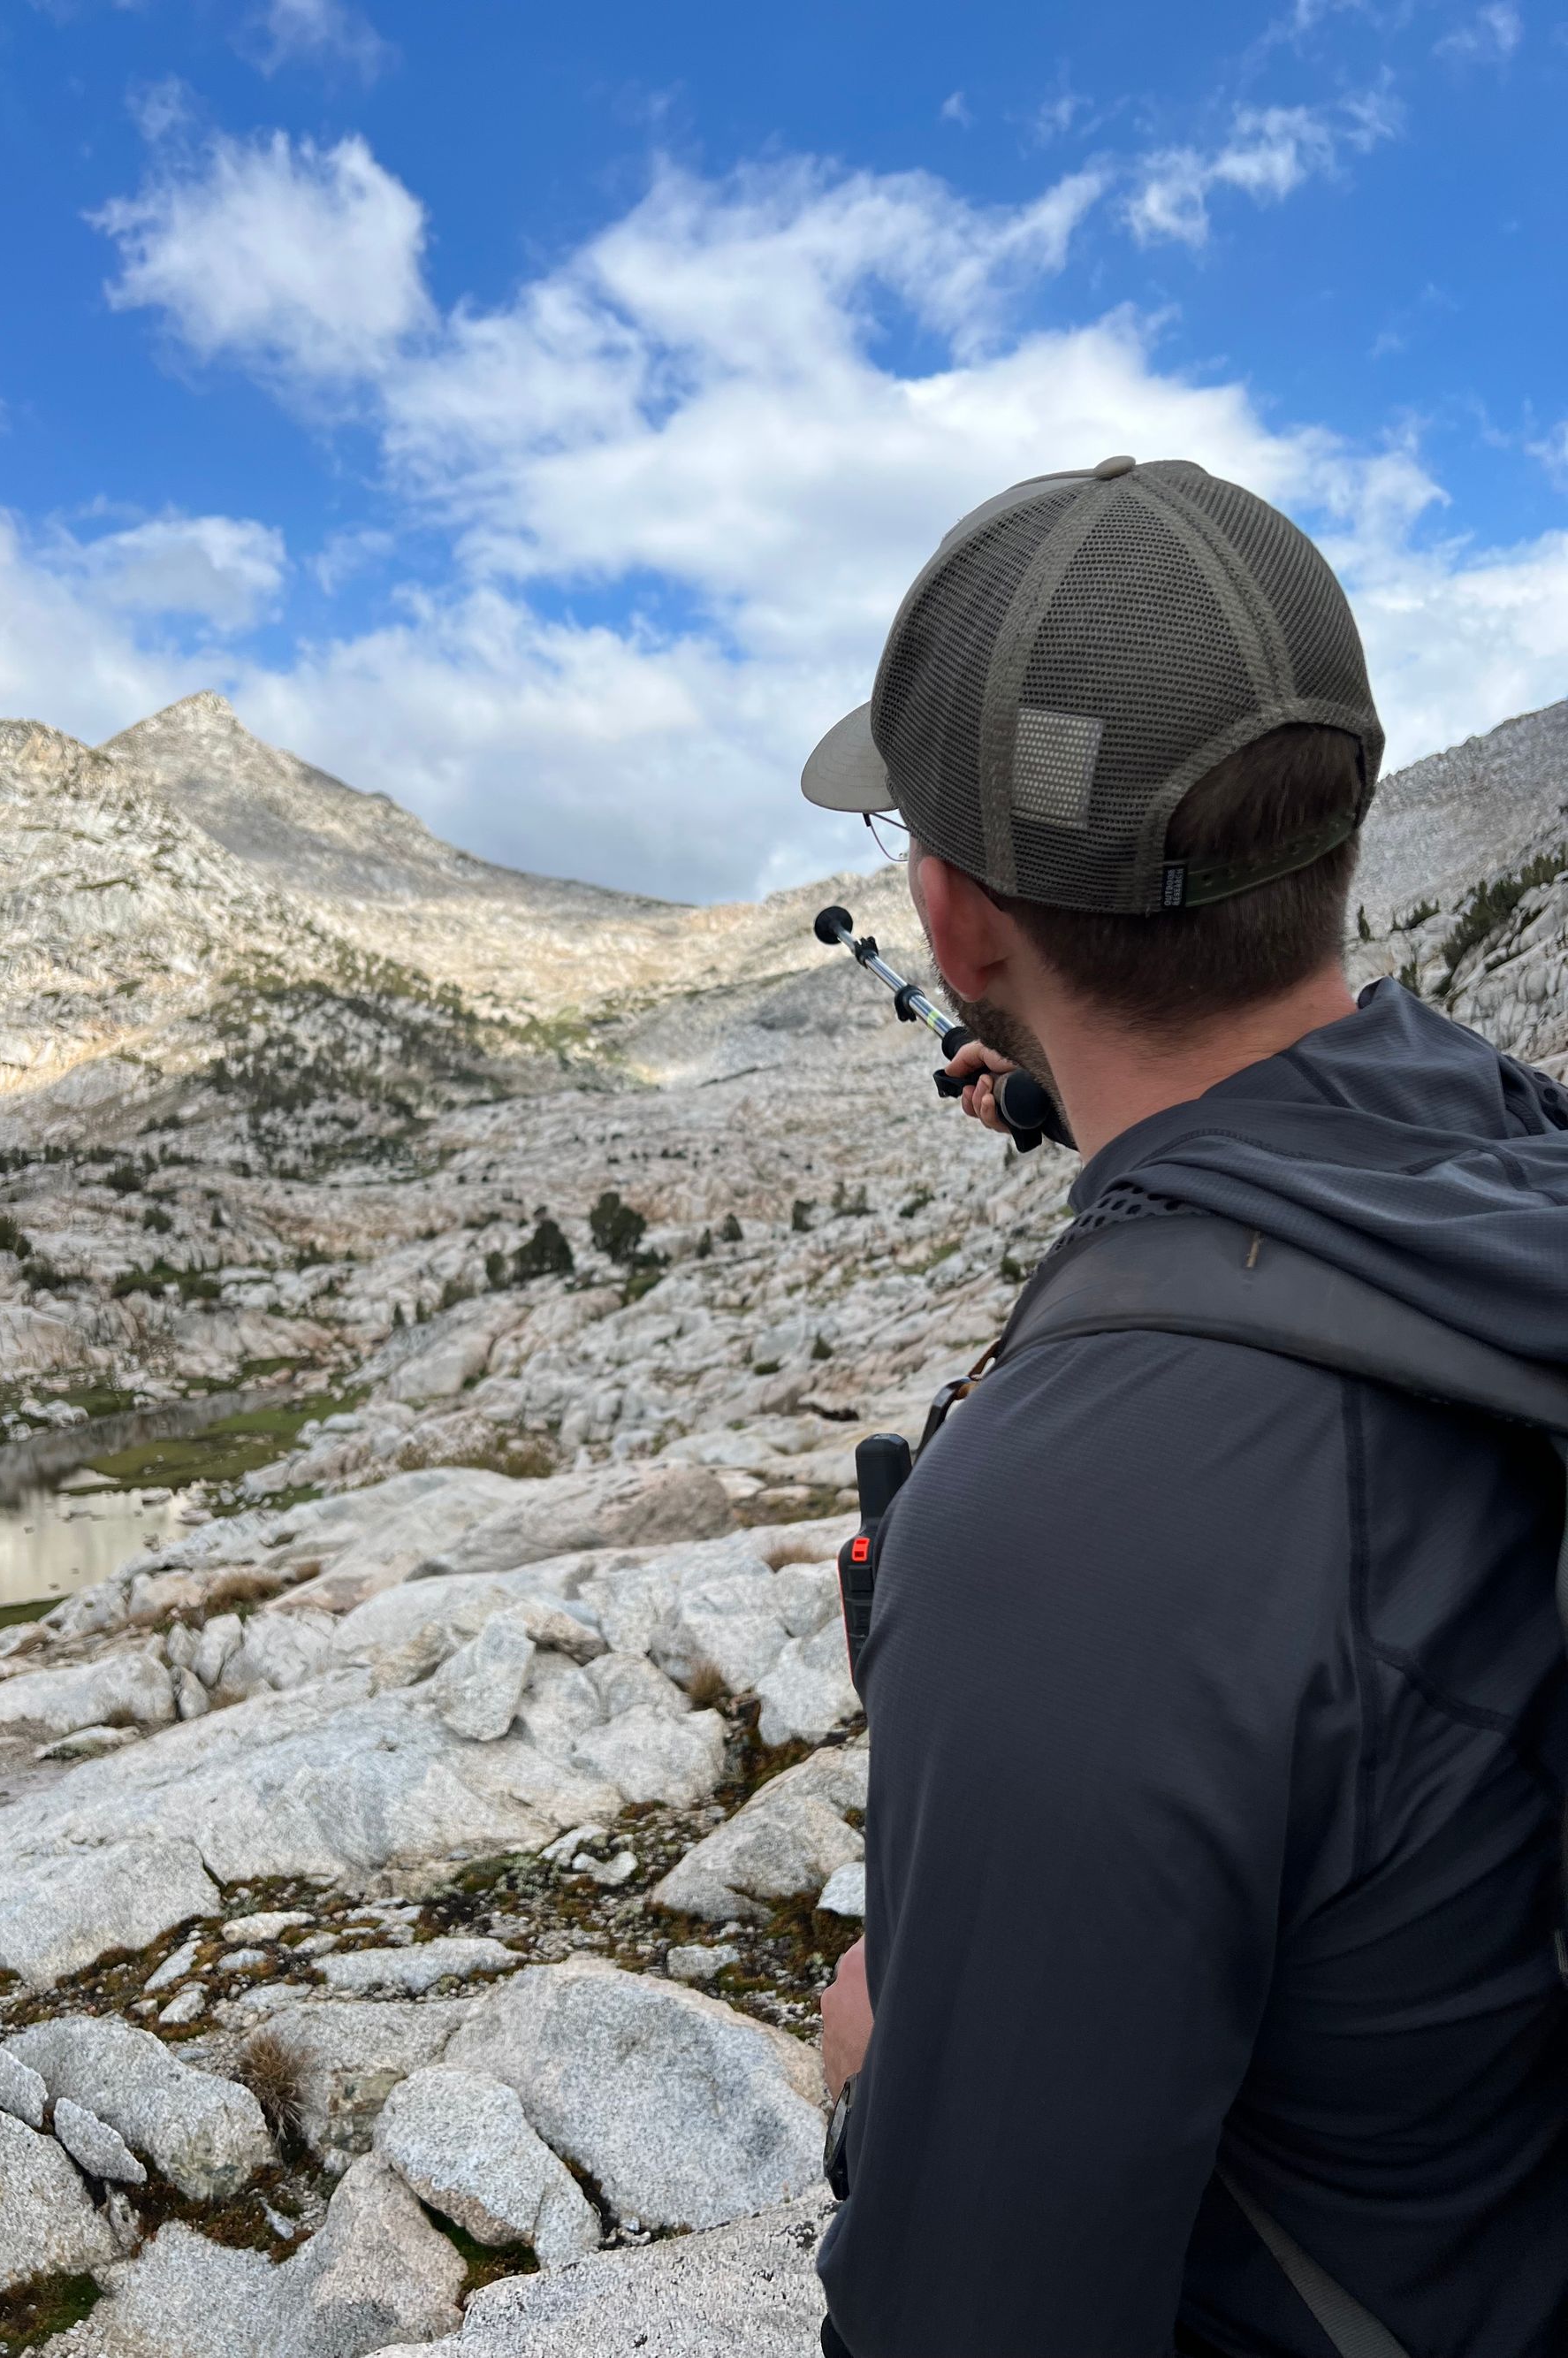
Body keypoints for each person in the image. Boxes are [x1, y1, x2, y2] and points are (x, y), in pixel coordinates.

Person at [798, 458, 1568, 2357]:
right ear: (1342, 829)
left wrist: (875, 2068)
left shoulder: (1054, 1535)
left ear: (951, 920)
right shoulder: (1511, 1160)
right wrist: (1094, 1086)